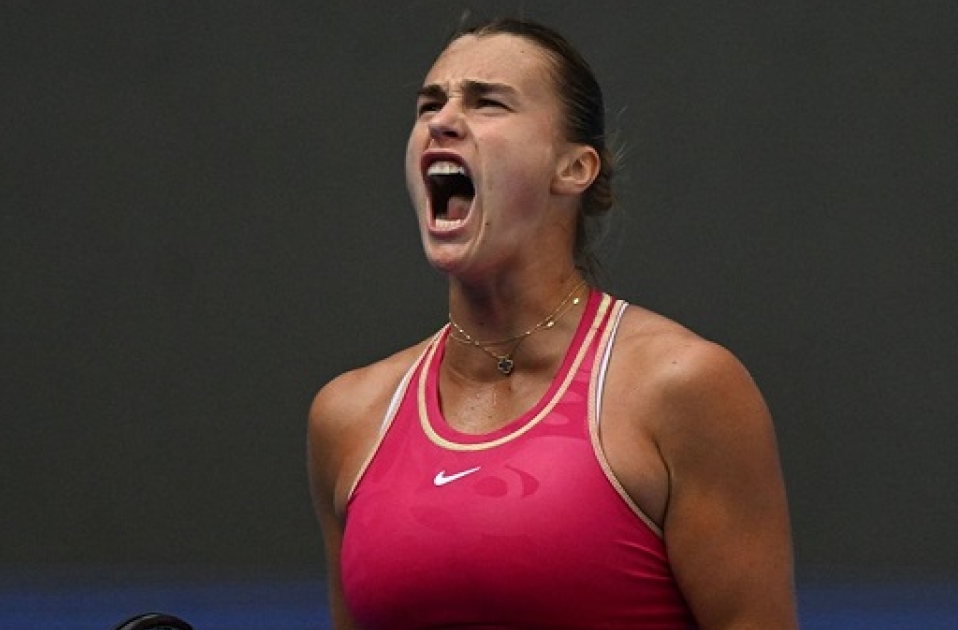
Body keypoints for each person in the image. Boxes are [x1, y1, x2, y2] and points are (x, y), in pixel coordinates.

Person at [308, 17, 796, 630]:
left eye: (487, 102)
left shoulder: (683, 388)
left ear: (574, 168)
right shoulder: (348, 416)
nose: (442, 120)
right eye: (430, 104)